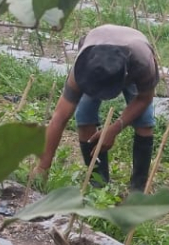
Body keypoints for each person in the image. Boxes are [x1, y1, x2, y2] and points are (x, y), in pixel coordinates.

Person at [33, 24, 159, 191]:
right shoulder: (82, 69)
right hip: (96, 49)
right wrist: (43, 167)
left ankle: (138, 188)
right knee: (84, 116)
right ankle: (98, 183)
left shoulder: (143, 62)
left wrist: (114, 129)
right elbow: (59, 117)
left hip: (134, 58)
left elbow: (144, 99)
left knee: (144, 122)